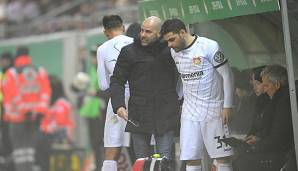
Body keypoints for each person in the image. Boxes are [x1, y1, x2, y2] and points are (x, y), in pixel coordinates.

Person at [160, 18, 234, 171]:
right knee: (191, 159)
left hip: (214, 110)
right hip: (190, 113)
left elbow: (228, 76)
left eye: (172, 39)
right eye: (167, 41)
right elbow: (183, 78)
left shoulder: (209, 46)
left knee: (222, 158)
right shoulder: (175, 52)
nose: (170, 45)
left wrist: (228, 106)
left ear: (182, 32)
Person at [110, 16, 180, 162]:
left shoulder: (171, 50)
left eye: (148, 32)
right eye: (142, 30)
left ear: (159, 34)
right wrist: (119, 106)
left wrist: (180, 101)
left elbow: (182, 77)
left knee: (165, 160)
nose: (142, 34)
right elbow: (117, 80)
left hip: (165, 112)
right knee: (141, 161)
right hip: (138, 114)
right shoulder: (128, 51)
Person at [233, 65, 294, 171]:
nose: (264, 91)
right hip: (278, 150)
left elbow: (278, 138)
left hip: (284, 154)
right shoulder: (275, 100)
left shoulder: (284, 102)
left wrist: (253, 148)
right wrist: (257, 139)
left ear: (277, 85)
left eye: (265, 86)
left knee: (241, 163)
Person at [2, 46, 51, 171]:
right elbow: (45, 93)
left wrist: (24, 110)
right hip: (35, 119)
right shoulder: (39, 71)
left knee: (19, 153)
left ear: (16, 57)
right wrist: (40, 111)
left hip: (17, 119)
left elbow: (12, 94)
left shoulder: (12, 73)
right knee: (29, 152)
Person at [97, 15, 133, 171]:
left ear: (106, 32)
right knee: (143, 145)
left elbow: (103, 84)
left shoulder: (103, 49)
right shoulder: (135, 43)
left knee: (112, 148)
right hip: (140, 97)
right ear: (123, 28)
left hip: (118, 99)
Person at [36, 75, 75, 171]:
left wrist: (44, 129)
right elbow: (45, 122)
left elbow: (58, 124)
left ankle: (44, 167)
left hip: (62, 136)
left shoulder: (62, 103)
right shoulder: (51, 104)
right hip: (51, 135)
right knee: (37, 138)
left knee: (40, 141)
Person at [78, 45, 105, 171]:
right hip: (91, 112)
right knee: (95, 143)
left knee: (101, 143)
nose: (93, 58)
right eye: (93, 55)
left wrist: (97, 93)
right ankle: (98, 166)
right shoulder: (93, 70)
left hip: (100, 112)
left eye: (96, 55)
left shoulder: (103, 69)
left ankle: (101, 166)